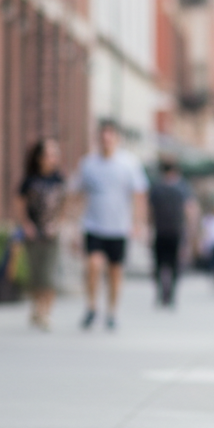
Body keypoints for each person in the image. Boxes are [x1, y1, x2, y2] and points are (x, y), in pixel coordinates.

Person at [72, 119, 148, 331]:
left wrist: (138, 222)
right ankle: (91, 306)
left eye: (110, 137)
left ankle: (112, 311)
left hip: (119, 227)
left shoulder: (129, 163)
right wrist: (72, 224)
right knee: (93, 265)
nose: (106, 141)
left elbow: (139, 195)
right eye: (102, 137)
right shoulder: (88, 164)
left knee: (115, 272)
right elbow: (76, 194)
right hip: (93, 225)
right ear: (97, 139)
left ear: (116, 139)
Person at [17, 139, 66, 330]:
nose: (52, 158)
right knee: (36, 274)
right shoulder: (30, 180)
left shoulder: (59, 179)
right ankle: (37, 308)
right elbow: (20, 204)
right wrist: (26, 225)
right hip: (33, 233)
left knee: (49, 274)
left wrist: (57, 225)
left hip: (51, 233)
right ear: (39, 158)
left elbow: (64, 205)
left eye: (55, 155)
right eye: (48, 154)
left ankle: (46, 312)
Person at [148, 158, 191, 307]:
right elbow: (189, 210)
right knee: (172, 265)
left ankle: (162, 293)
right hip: (174, 231)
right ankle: (169, 294)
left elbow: (150, 211)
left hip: (161, 231)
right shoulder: (182, 188)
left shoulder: (156, 188)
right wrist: (190, 231)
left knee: (160, 264)